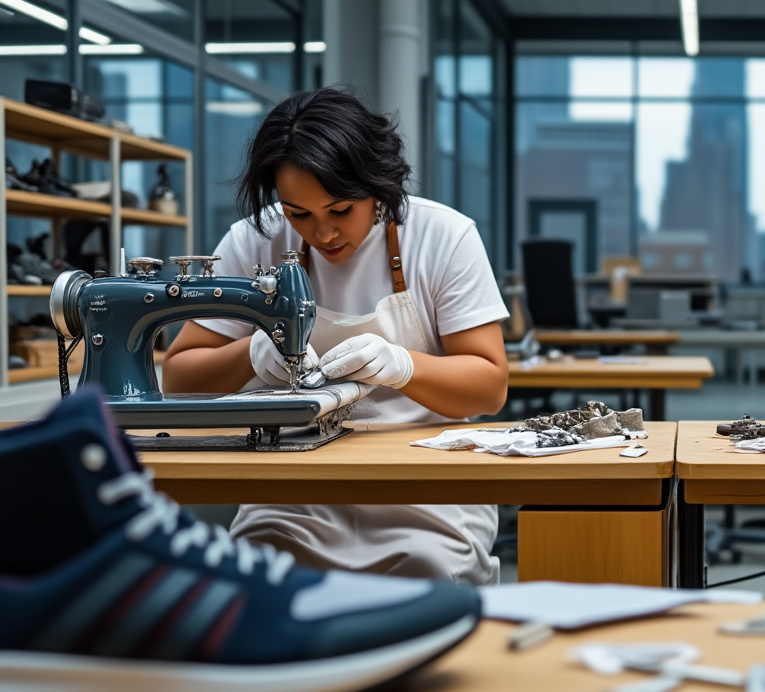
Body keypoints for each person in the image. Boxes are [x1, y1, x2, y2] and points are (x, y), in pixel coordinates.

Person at [163, 87, 509, 585]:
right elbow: (178, 377)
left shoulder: (443, 237)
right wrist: (253, 352)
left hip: (424, 492)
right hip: (292, 493)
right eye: (299, 214)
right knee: (251, 593)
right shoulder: (255, 239)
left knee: (426, 593)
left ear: (379, 186)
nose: (322, 234)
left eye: (340, 210)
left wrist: (405, 367)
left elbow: (489, 385)